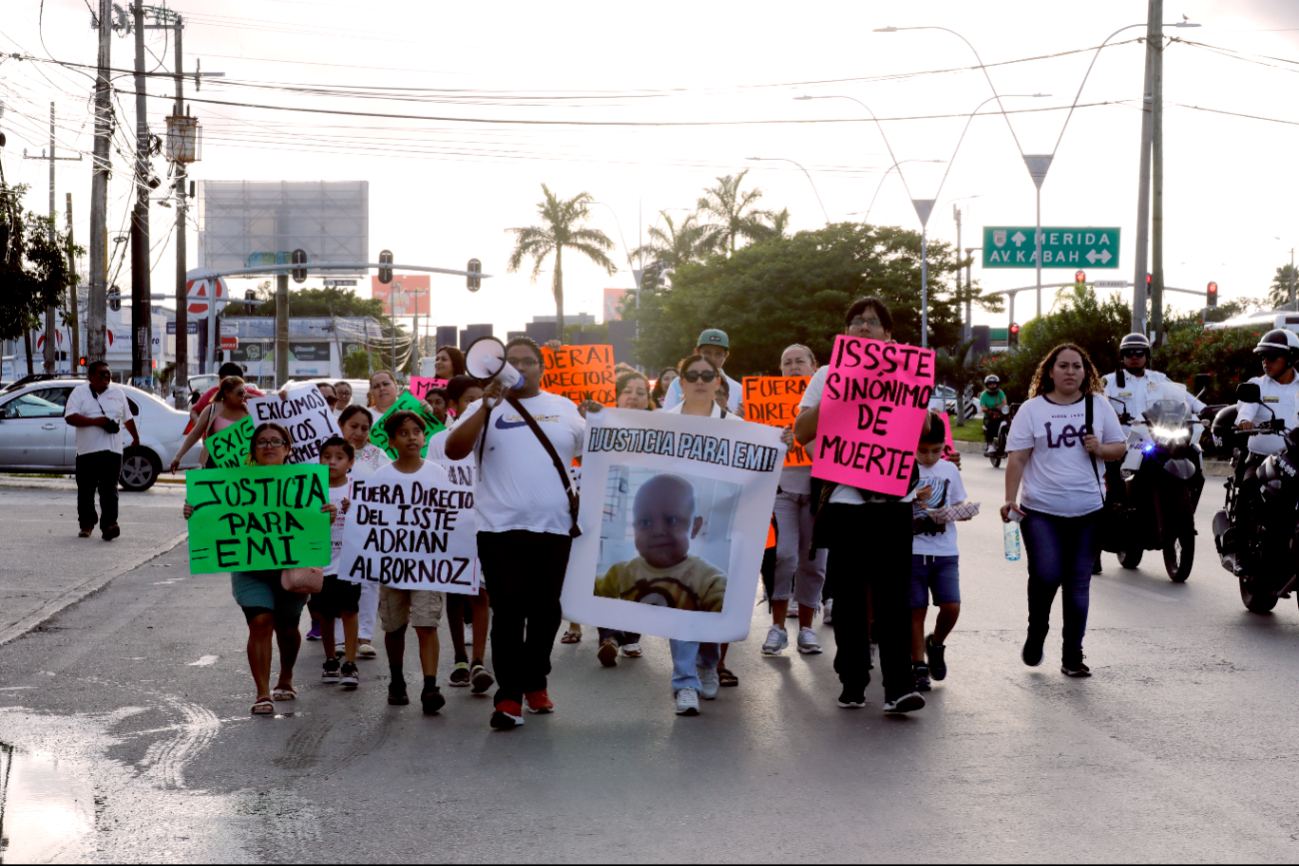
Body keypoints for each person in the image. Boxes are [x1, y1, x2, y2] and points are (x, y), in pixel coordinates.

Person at [794, 297, 927, 714]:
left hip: (894, 500)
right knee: (850, 598)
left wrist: (905, 392)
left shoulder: (907, 373)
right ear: (847, 332)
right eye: (857, 322)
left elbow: (923, 429)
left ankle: (898, 686)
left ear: (889, 335)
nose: (864, 327)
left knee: (893, 597)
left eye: (873, 323)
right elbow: (801, 432)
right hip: (846, 501)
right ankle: (853, 680)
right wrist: (840, 391)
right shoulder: (826, 374)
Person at [444, 337, 585, 731]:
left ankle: (536, 679)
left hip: (554, 528)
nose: (519, 368)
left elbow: (599, 452)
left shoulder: (564, 408)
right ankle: (508, 696)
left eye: (528, 362)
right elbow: (455, 449)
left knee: (546, 611)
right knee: (508, 611)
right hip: (499, 529)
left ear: (542, 368)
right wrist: (486, 406)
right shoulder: (482, 406)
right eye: (512, 362)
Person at [181, 422, 337, 714]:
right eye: (262, 442)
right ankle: (262, 693)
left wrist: (328, 514)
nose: (269, 446)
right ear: (253, 449)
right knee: (261, 622)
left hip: (290, 568)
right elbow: (212, 515)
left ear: (287, 449)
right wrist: (194, 511)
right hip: (250, 566)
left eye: (276, 441)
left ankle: (286, 678)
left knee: (288, 627)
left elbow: (314, 526)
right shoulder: (234, 481)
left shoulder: (304, 483)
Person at [1001, 344, 1125, 678]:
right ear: (1050, 372)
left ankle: (1073, 654)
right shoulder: (1031, 410)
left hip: (1088, 512)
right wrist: (1010, 499)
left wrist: (1100, 448)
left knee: (1077, 584)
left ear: (1086, 373)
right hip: (1040, 511)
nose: (1070, 372)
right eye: (1063, 366)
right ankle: (1036, 631)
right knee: (1045, 574)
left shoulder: (1098, 405)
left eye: (1077, 367)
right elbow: (1018, 458)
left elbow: (1120, 447)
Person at [660, 353, 743, 716]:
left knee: (712, 600)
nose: (699, 380)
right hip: (676, 527)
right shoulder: (662, 423)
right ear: (679, 382)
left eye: (707, 375)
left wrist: (779, 446)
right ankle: (684, 682)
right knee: (681, 601)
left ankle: (708, 660)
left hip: (720, 527)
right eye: (691, 375)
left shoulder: (737, 426)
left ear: (718, 382)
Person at [374, 410, 451, 715]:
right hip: (391, 565)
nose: (411, 437)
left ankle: (430, 685)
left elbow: (449, 517)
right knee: (394, 627)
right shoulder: (382, 477)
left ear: (424, 437)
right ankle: (396, 680)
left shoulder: (437, 473)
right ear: (392, 441)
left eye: (416, 432)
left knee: (426, 623)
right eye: (403, 433)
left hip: (427, 565)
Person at [427, 375, 495, 695]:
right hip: (451, 527)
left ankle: (480, 660)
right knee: (454, 594)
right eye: (470, 400)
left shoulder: (495, 438)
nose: (478, 406)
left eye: (483, 399)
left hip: (484, 526)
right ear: (453, 406)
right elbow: (431, 483)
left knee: (480, 594)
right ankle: (459, 658)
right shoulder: (439, 441)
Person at [762, 344, 828, 657]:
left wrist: (802, 437)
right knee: (783, 556)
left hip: (818, 491)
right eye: (786, 362)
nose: (793, 366)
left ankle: (806, 630)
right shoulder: (765, 401)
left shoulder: (827, 401)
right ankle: (777, 628)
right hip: (781, 491)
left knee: (813, 561)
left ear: (814, 367)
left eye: (800, 360)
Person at [590, 369, 657, 667]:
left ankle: (630, 636)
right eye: (628, 390)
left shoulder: (663, 428)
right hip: (607, 510)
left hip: (645, 512)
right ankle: (609, 636)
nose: (633, 396)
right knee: (606, 572)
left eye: (641, 392)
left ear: (648, 399)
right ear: (617, 395)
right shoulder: (601, 423)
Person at [595, 474, 728, 611]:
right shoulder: (621, 573)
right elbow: (585, 590)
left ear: (694, 527)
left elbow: (725, 619)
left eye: (671, 520)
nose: (657, 531)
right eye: (645, 522)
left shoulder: (711, 582)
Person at [909, 411, 973, 691]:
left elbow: (960, 503)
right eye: (922, 451)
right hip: (911, 551)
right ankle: (918, 665)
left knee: (951, 606)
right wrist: (912, 496)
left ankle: (936, 642)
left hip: (946, 552)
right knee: (916, 609)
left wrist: (961, 512)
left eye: (936, 451)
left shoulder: (949, 469)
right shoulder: (904, 468)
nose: (929, 457)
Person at [335, 404, 392, 659]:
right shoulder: (329, 453)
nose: (358, 432)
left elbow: (394, 486)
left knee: (369, 582)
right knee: (336, 582)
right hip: (333, 531)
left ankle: (365, 636)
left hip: (369, 529)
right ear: (341, 425)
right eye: (353, 426)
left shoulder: (378, 455)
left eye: (365, 428)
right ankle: (338, 638)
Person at [64, 360, 139, 540]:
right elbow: (70, 417)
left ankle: (109, 525)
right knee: (86, 490)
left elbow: (127, 418)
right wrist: (96, 422)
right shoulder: (80, 393)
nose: (106, 376)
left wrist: (136, 438)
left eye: (108, 373)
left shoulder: (118, 393)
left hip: (113, 451)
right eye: (101, 373)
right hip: (87, 452)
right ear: (90, 376)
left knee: (109, 490)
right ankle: (86, 524)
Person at [313, 437, 361, 690]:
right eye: (327, 456)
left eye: (339, 457)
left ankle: (350, 663)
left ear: (350, 463)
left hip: (349, 563)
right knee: (325, 613)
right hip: (321, 563)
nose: (332, 461)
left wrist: (353, 510)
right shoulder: (313, 489)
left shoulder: (357, 489)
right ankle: (330, 659)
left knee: (349, 611)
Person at [1102, 332, 1207, 423]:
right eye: (1129, 353)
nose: (1134, 357)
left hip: (1155, 438)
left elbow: (1184, 396)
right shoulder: (1109, 382)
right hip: (1120, 442)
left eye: (1139, 353)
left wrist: (1204, 410)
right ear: (1122, 357)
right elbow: (1096, 404)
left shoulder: (1160, 379)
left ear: (1147, 356)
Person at [170, 376, 251, 472]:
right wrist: (178, 456)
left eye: (244, 392)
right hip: (215, 465)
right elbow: (195, 434)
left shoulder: (248, 411)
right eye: (240, 392)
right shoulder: (211, 410)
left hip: (243, 466)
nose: (243, 396)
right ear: (227, 393)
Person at [661, 329, 742, 413]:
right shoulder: (677, 384)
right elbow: (667, 421)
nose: (712, 359)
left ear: (726, 355)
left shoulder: (738, 390)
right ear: (697, 352)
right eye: (707, 353)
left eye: (718, 354)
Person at [980, 375, 1009, 453]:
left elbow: (1004, 403)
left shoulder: (1000, 392)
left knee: (1009, 423)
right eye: (990, 384)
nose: (992, 385)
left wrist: (997, 408)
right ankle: (990, 446)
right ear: (987, 385)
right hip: (989, 416)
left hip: (1000, 415)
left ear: (997, 384)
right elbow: (982, 407)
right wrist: (986, 410)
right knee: (990, 425)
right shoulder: (984, 395)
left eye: (994, 383)